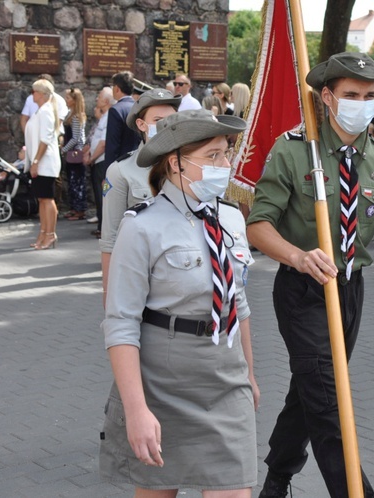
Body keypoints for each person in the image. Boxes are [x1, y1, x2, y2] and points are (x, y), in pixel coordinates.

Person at [247, 51, 374, 498]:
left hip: (348, 291)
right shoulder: (293, 149)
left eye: (370, 95)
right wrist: (298, 257)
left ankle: (278, 476)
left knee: (310, 388)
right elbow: (258, 226)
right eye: (351, 94)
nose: (363, 102)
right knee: (327, 395)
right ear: (327, 97)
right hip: (302, 287)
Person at [100, 109, 259, 497]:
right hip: (162, 381)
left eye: (226, 154)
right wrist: (137, 411)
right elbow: (120, 323)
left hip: (226, 379)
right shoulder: (141, 226)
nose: (225, 165)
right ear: (175, 163)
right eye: (213, 156)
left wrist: (249, 374)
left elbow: (238, 302)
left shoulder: (231, 219)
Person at [100, 88, 180, 306]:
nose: (165, 125)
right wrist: (109, 298)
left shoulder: (190, 167)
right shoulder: (121, 171)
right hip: (143, 279)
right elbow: (110, 240)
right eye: (157, 120)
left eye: (171, 119)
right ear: (141, 125)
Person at [94, 71, 139, 237]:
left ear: (117, 89)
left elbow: (112, 145)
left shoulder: (116, 110)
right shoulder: (137, 108)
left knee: (116, 213)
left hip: (120, 167)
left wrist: (107, 174)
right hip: (138, 165)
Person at [25, 79, 62, 250]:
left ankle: (50, 233)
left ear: (40, 94)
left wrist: (36, 161)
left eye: (34, 91)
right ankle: (43, 231)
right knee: (41, 199)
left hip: (46, 162)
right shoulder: (40, 111)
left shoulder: (46, 111)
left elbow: (45, 140)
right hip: (39, 161)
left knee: (47, 199)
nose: (32, 94)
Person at [85, 87, 114, 227]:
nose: (97, 99)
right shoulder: (105, 116)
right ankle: (101, 226)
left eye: (100, 97)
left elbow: (103, 144)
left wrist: (91, 158)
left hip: (101, 161)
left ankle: (103, 228)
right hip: (97, 160)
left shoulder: (109, 117)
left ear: (107, 101)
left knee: (102, 195)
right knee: (98, 195)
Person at [61, 88, 87, 221]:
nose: (66, 100)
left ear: (74, 100)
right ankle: (74, 208)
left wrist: (64, 149)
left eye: (68, 98)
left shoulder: (76, 117)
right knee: (72, 182)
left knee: (77, 182)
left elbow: (76, 138)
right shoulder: (70, 115)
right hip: (72, 153)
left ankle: (79, 209)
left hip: (75, 153)